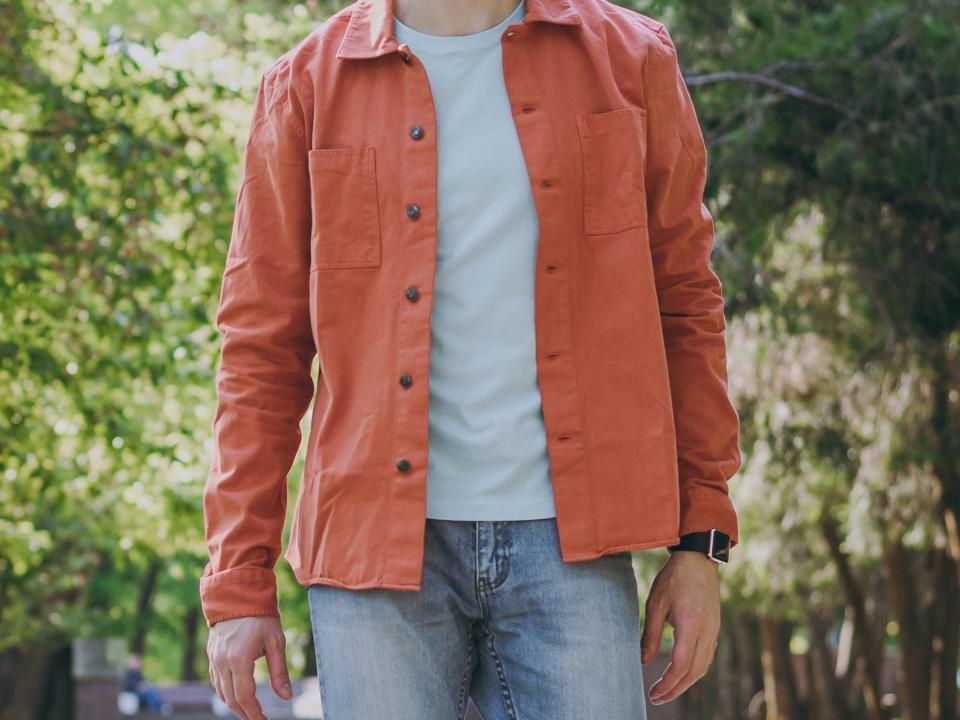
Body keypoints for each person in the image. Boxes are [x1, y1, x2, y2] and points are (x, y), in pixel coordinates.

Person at [200, 0, 742, 717]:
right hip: (373, 561)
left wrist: (699, 544)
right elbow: (259, 352)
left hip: (573, 548)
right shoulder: (304, 85)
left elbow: (686, 305)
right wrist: (239, 579)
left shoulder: (630, 58)